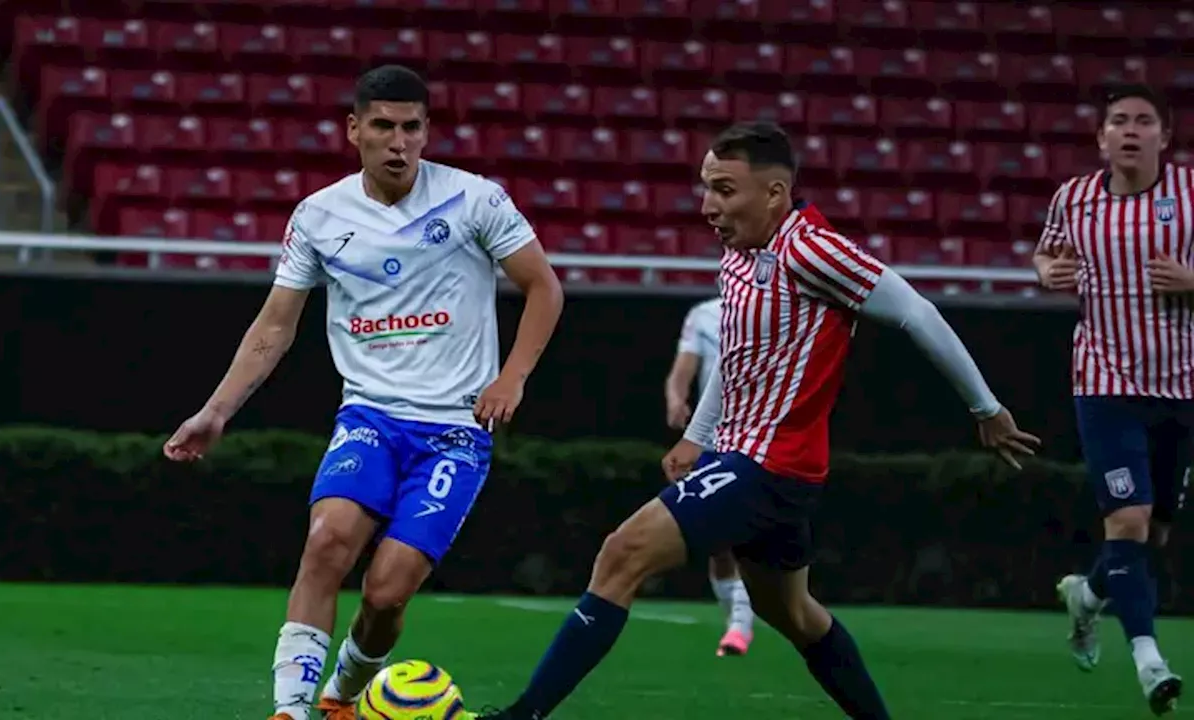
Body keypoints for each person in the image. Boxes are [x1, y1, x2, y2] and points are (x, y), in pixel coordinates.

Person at [471, 120, 1040, 720]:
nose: (708, 205)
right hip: (754, 463)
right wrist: (697, 437)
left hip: (769, 465)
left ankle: (522, 716)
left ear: (774, 194)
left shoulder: (812, 248)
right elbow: (738, 356)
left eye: (723, 190)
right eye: (705, 188)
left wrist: (987, 409)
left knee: (623, 551)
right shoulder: (740, 256)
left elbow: (916, 313)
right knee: (793, 614)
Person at [161, 64, 564, 720]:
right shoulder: (319, 216)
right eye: (383, 126)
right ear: (354, 130)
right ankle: (289, 711)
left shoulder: (474, 201)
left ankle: (340, 699)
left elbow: (544, 287)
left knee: (385, 596)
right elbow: (274, 326)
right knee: (325, 543)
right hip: (370, 417)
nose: (398, 141)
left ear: (428, 132)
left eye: (411, 127)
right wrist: (216, 410)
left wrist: (512, 376)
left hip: (456, 432)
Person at [1038, 83, 1189, 716]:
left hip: (1182, 385)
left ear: (1164, 136)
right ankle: (1150, 663)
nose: (1130, 130)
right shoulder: (1073, 199)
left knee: (1149, 535)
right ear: (1102, 138)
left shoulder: (1189, 195)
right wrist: (1047, 272)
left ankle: (1089, 596)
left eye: (1143, 121)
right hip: (1103, 383)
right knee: (1126, 523)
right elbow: (1046, 256)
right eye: (1119, 121)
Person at [664, 296, 756, 657]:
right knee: (719, 544)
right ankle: (737, 620)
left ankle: (740, 626)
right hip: (716, 438)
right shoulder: (704, 315)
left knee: (753, 537)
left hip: (766, 439)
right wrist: (676, 399)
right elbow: (683, 370)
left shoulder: (784, 308)